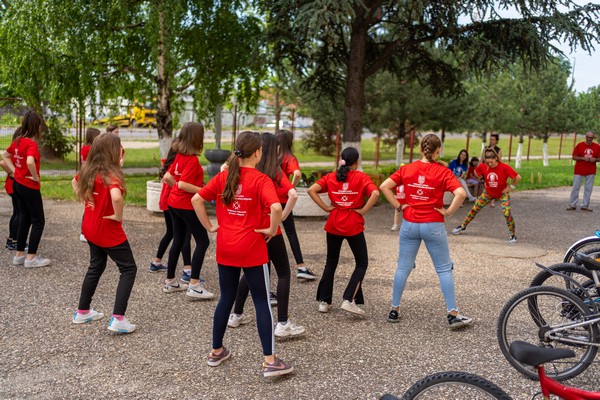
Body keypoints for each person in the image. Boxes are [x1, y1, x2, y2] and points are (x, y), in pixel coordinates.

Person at [191, 130, 294, 377]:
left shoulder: (224, 177)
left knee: (226, 297)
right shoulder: (261, 180)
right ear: (258, 153)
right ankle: (270, 361)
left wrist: (209, 226)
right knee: (261, 301)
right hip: (251, 248)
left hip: (226, 246)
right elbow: (276, 207)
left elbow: (196, 199)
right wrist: (272, 229)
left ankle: (216, 351)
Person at [380, 134, 472, 330]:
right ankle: (453, 314)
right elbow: (461, 193)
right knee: (444, 269)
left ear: (421, 150)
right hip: (433, 224)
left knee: (403, 267)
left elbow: (384, 186)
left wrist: (399, 205)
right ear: (438, 151)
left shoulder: (407, 169)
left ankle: (394, 309)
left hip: (410, 223)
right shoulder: (443, 171)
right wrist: (448, 212)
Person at [228, 132, 305, 338]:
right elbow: (293, 194)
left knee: (251, 272)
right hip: (270, 229)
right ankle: (283, 323)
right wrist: (282, 217)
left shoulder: (246, 170)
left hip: (251, 229)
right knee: (283, 273)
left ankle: (236, 314)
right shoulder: (275, 171)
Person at [71, 133, 137, 333]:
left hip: (91, 227)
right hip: (107, 231)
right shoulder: (111, 176)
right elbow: (116, 197)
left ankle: (82, 311)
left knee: (96, 266)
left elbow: (74, 182)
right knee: (128, 269)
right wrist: (118, 216)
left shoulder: (89, 171)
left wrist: (87, 201)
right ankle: (118, 318)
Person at [307, 147, 379, 315]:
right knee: (362, 262)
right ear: (356, 163)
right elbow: (375, 193)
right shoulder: (361, 177)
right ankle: (348, 299)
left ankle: (324, 301)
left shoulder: (331, 176)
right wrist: (363, 210)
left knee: (331, 262)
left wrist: (326, 207)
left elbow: (311, 190)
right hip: (353, 223)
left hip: (334, 222)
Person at [162, 122, 213, 299]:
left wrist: (177, 188)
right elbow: (183, 184)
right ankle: (194, 285)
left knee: (178, 239)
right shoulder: (192, 160)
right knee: (203, 242)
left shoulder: (179, 156)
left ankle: (170, 282)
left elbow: (168, 176)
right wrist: (205, 190)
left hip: (173, 203)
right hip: (185, 205)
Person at [1, 110, 51, 268]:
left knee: (25, 218)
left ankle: (19, 255)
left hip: (17, 185)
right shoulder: (31, 143)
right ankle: (31, 258)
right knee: (38, 221)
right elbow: (30, 161)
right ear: (37, 126)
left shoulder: (18, 141)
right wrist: (35, 177)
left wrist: (14, 172)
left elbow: (5, 155)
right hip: (29, 186)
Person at [452, 148, 521, 243]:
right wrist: (483, 180)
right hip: (488, 193)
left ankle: (513, 236)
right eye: (487, 162)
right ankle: (462, 226)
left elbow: (518, 177)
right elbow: (476, 172)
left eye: (491, 162)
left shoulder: (504, 167)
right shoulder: (484, 166)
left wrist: (510, 187)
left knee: (507, 213)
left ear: (496, 158)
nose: (489, 164)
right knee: (475, 209)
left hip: (502, 194)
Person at [275, 129, 316, 281]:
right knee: (291, 232)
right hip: (284, 199)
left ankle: (261, 264)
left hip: (269, 198)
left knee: (268, 230)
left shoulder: (271, 157)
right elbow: (297, 173)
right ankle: (301, 266)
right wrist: (291, 186)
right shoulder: (290, 157)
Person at [149, 137, 193, 275]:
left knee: (171, 233)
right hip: (174, 202)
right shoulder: (179, 164)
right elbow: (180, 184)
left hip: (166, 201)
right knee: (184, 235)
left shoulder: (171, 164)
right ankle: (188, 270)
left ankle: (156, 262)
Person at [567, 131, 600, 211]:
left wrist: (595, 159)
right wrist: (582, 158)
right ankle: (572, 204)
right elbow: (574, 157)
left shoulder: (597, 146)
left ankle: (585, 205)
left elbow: (599, 158)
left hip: (591, 170)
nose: (589, 139)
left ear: (593, 138)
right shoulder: (580, 145)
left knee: (588, 189)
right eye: (588, 137)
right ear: (585, 137)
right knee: (575, 188)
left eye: (591, 137)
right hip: (579, 170)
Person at [79, 127, 101, 242]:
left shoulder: (84, 148)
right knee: (90, 205)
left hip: (86, 176)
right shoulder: (91, 149)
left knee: (89, 204)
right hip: (90, 177)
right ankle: (84, 231)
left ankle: (86, 231)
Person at [1, 127, 22, 250]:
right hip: (14, 184)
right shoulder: (16, 149)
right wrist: (12, 173)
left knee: (16, 213)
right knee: (20, 213)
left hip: (12, 184)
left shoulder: (15, 148)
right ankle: (14, 241)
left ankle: (11, 240)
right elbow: (3, 162)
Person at [481, 134, 502, 208]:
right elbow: (482, 158)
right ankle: (484, 199)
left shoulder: (498, 150)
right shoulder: (486, 148)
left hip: (494, 169)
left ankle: (492, 200)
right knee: (485, 184)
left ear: (496, 141)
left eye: (493, 140)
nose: (491, 141)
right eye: (490, 139)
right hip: (486, 168)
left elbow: (499, 160)